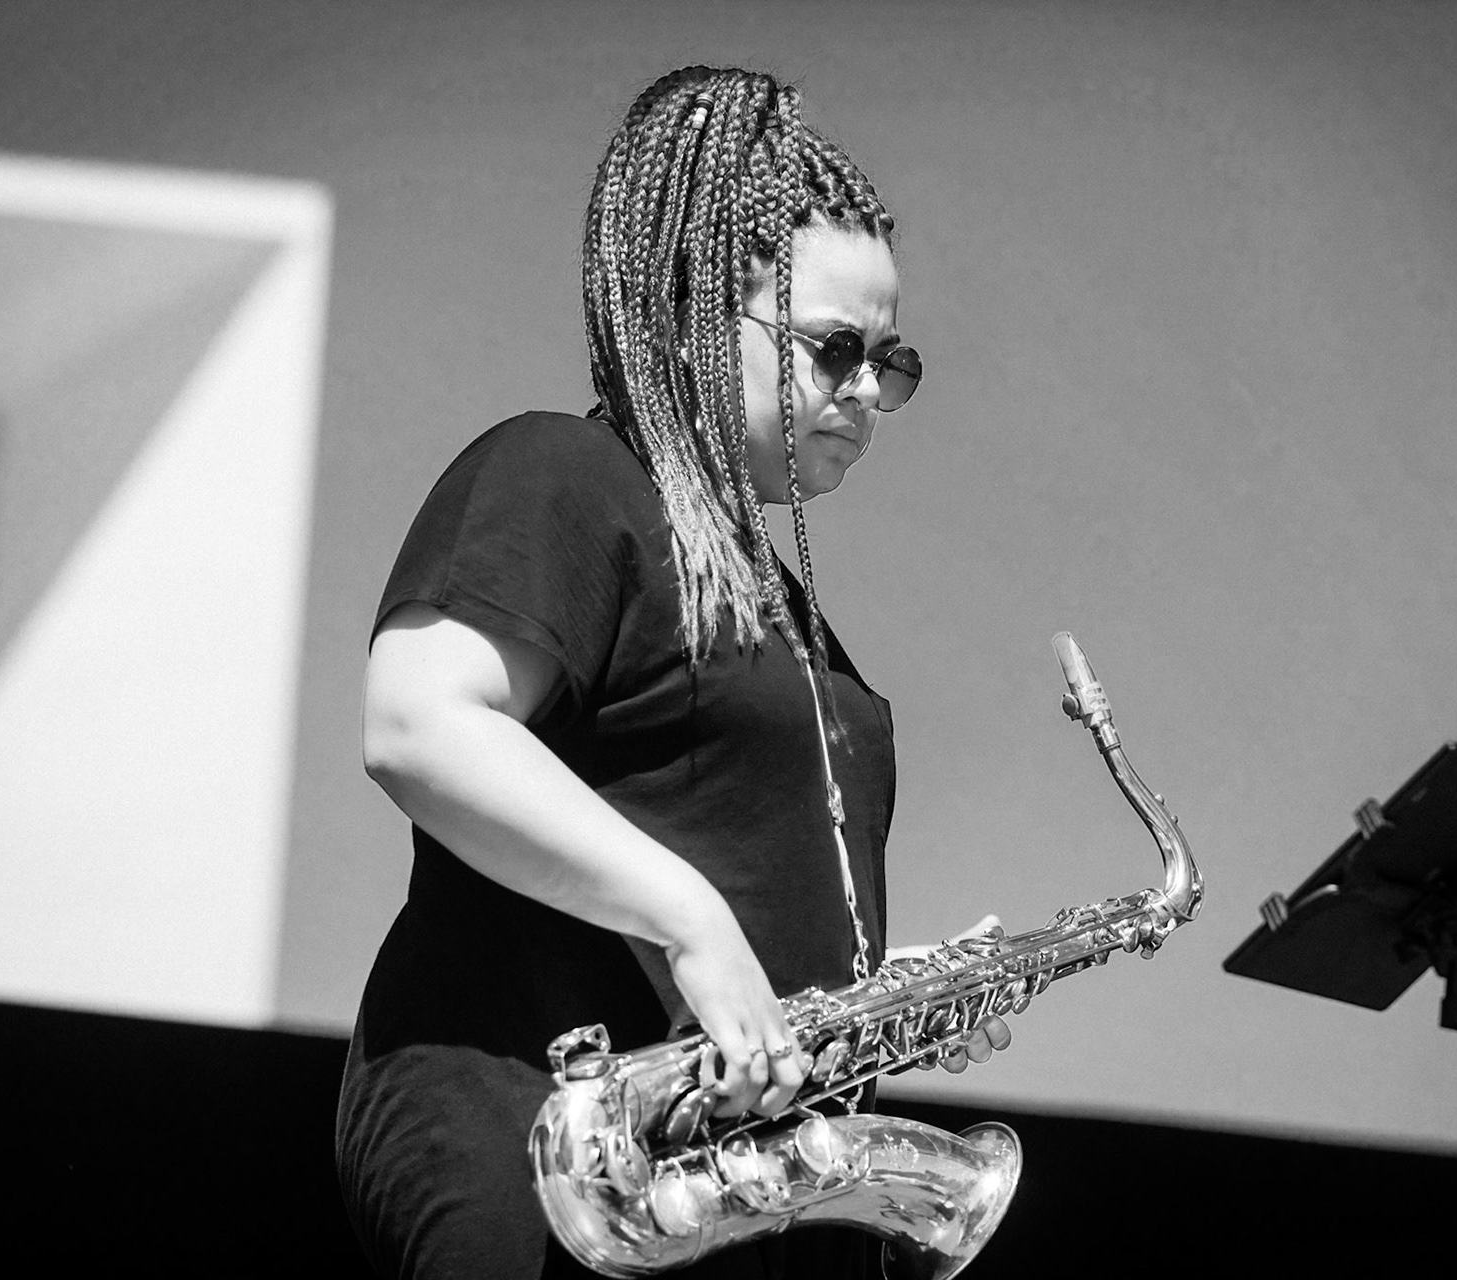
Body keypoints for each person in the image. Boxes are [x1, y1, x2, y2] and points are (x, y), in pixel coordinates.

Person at [334, 65, 1007, 1280]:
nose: (865, 393)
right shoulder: (566, 475)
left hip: (721, 1188)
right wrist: (693, 919)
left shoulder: (770, 599)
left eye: (889, 361)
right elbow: (418, 722)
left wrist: (848, 997)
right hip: (557, 1156)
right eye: (833, 348)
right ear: (700, 307)